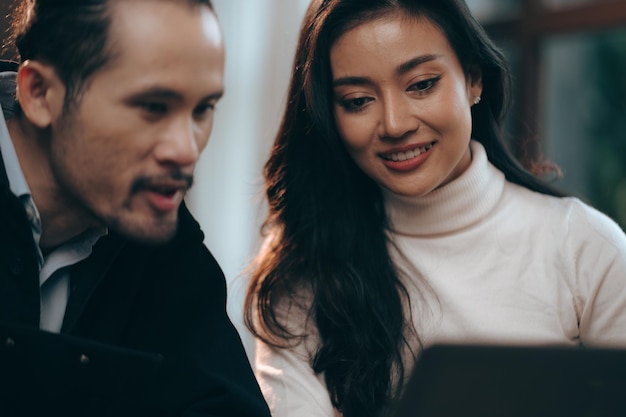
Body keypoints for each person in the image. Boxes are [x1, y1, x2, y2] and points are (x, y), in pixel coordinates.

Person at [243, 0, 626, 416]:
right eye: (357, 100)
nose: (394, 124)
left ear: (473, 78)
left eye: (421, 84)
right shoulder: (303, 272)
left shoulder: (583, 247)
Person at [0, 0, 271, 416]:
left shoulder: (160, 236)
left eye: (202, 109)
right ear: (39, 94)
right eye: (152, 107)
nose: (186, 150)